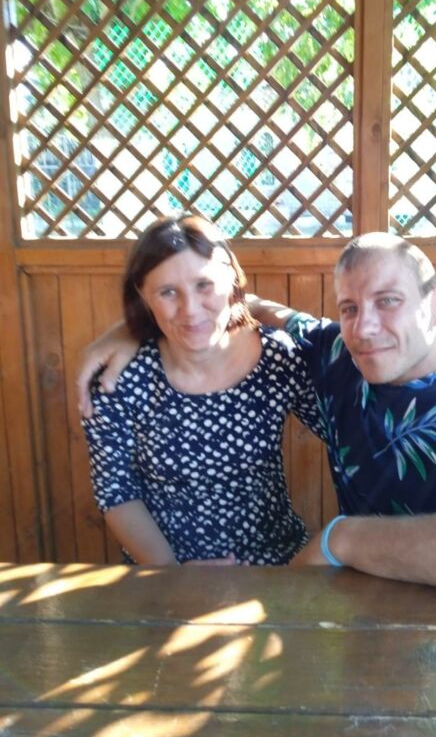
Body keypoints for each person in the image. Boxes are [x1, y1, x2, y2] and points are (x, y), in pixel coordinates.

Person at [78, 232, 436, 605]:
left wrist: (343, 537)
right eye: (349, 308)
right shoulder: (337, 354)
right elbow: (236, 309)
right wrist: (132, 328)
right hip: (358, 611)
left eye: (389, 301)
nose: (366, 328)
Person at [81, 215, 323, 567]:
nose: (190, 310)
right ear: (143, 295)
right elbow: (116, 492)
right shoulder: (119, 378)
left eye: (204, 285)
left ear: (231, 279)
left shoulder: (277, 356)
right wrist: (173, 575)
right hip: (163, 570)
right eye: (168, 292)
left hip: (276, 565)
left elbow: (344, 433)